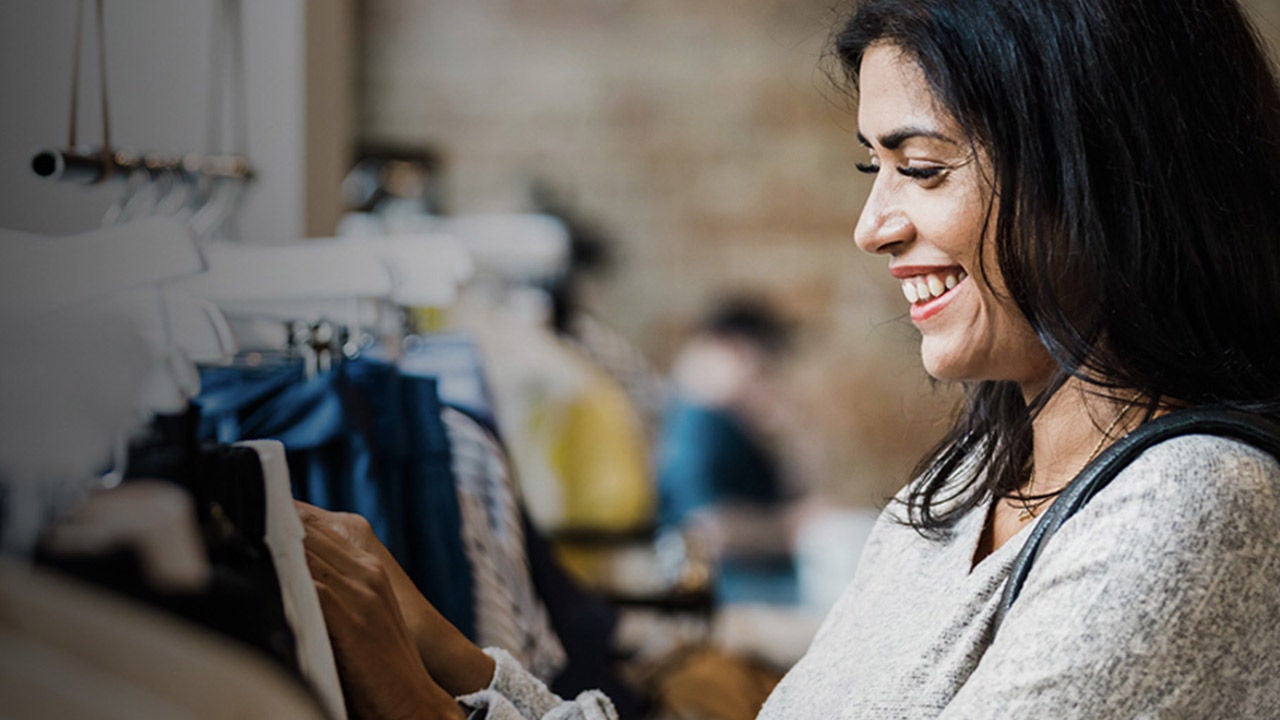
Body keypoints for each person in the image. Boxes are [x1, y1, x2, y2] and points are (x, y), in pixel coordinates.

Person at [298, 0, 1280, 717]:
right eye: (872, 169)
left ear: (1100, 174)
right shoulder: (960, 484)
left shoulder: (1192, 503)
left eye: (921, 169)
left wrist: (405, 697)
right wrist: (455, 661)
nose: (871, 226)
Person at [657, 295, 802, 604]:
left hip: (754, 581)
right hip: (734, 588)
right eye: (762, 365)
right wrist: (790, 529)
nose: (767, 377)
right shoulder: (698, 421)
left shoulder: (725, 420)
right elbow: (704, 529)